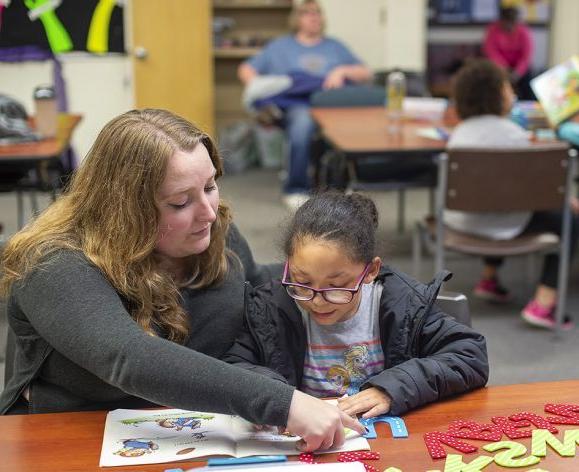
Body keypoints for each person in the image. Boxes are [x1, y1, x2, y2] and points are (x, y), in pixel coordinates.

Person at [0, 108, 364, 451]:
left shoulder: (214, 231)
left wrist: (362, 284)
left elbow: (256, 297)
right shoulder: (52, 263)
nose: (207, 213)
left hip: (199, 432)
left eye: (209, 186)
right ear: (126, 209)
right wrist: (284, 404)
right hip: (74, 441)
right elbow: (130, 357)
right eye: (179, 202)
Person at [224, 192, 489, 418]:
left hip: (383, 440)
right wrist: (279, 400)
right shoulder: (272, 308)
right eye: (302, 282)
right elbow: (233, 366)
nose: (317, 300)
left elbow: (469, 355)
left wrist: (393, 388)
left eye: (336, 287)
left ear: (371, 270)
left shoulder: (403, 304)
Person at [445, 59, 578, 329]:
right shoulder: (515, 136)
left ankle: (489, 278)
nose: (514, 95)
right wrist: (569, 203)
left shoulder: (458, 136)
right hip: (503, 222)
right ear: (497, 96)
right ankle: (544, 304)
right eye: (508, 89)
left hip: (462, 220)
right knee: (568, 219)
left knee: (496, 198)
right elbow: (539, 192)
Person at [238, 0, 372, 210]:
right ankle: (296, 189)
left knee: (345, 127)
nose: (314, 17)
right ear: (296, 19)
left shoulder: (335, 46)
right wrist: (263, 89)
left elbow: (366, 73)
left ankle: (340, 186)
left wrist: (342, 71)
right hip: (297, 104)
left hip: (329, 103)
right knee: (302, 124)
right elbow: (246, 70)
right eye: (308, 13)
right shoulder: (280, 46)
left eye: (318, 12)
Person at [483, 6, 534, 100]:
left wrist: (518, 72)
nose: (510, 27)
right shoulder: (492, 30)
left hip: (519, 68)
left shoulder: (524, 32)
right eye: (507, 23)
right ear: (501, 21)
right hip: (499, 67)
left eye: (513, 23)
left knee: (528, 83)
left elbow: (526, 56)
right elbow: (491, 52)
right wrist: (504, 68)